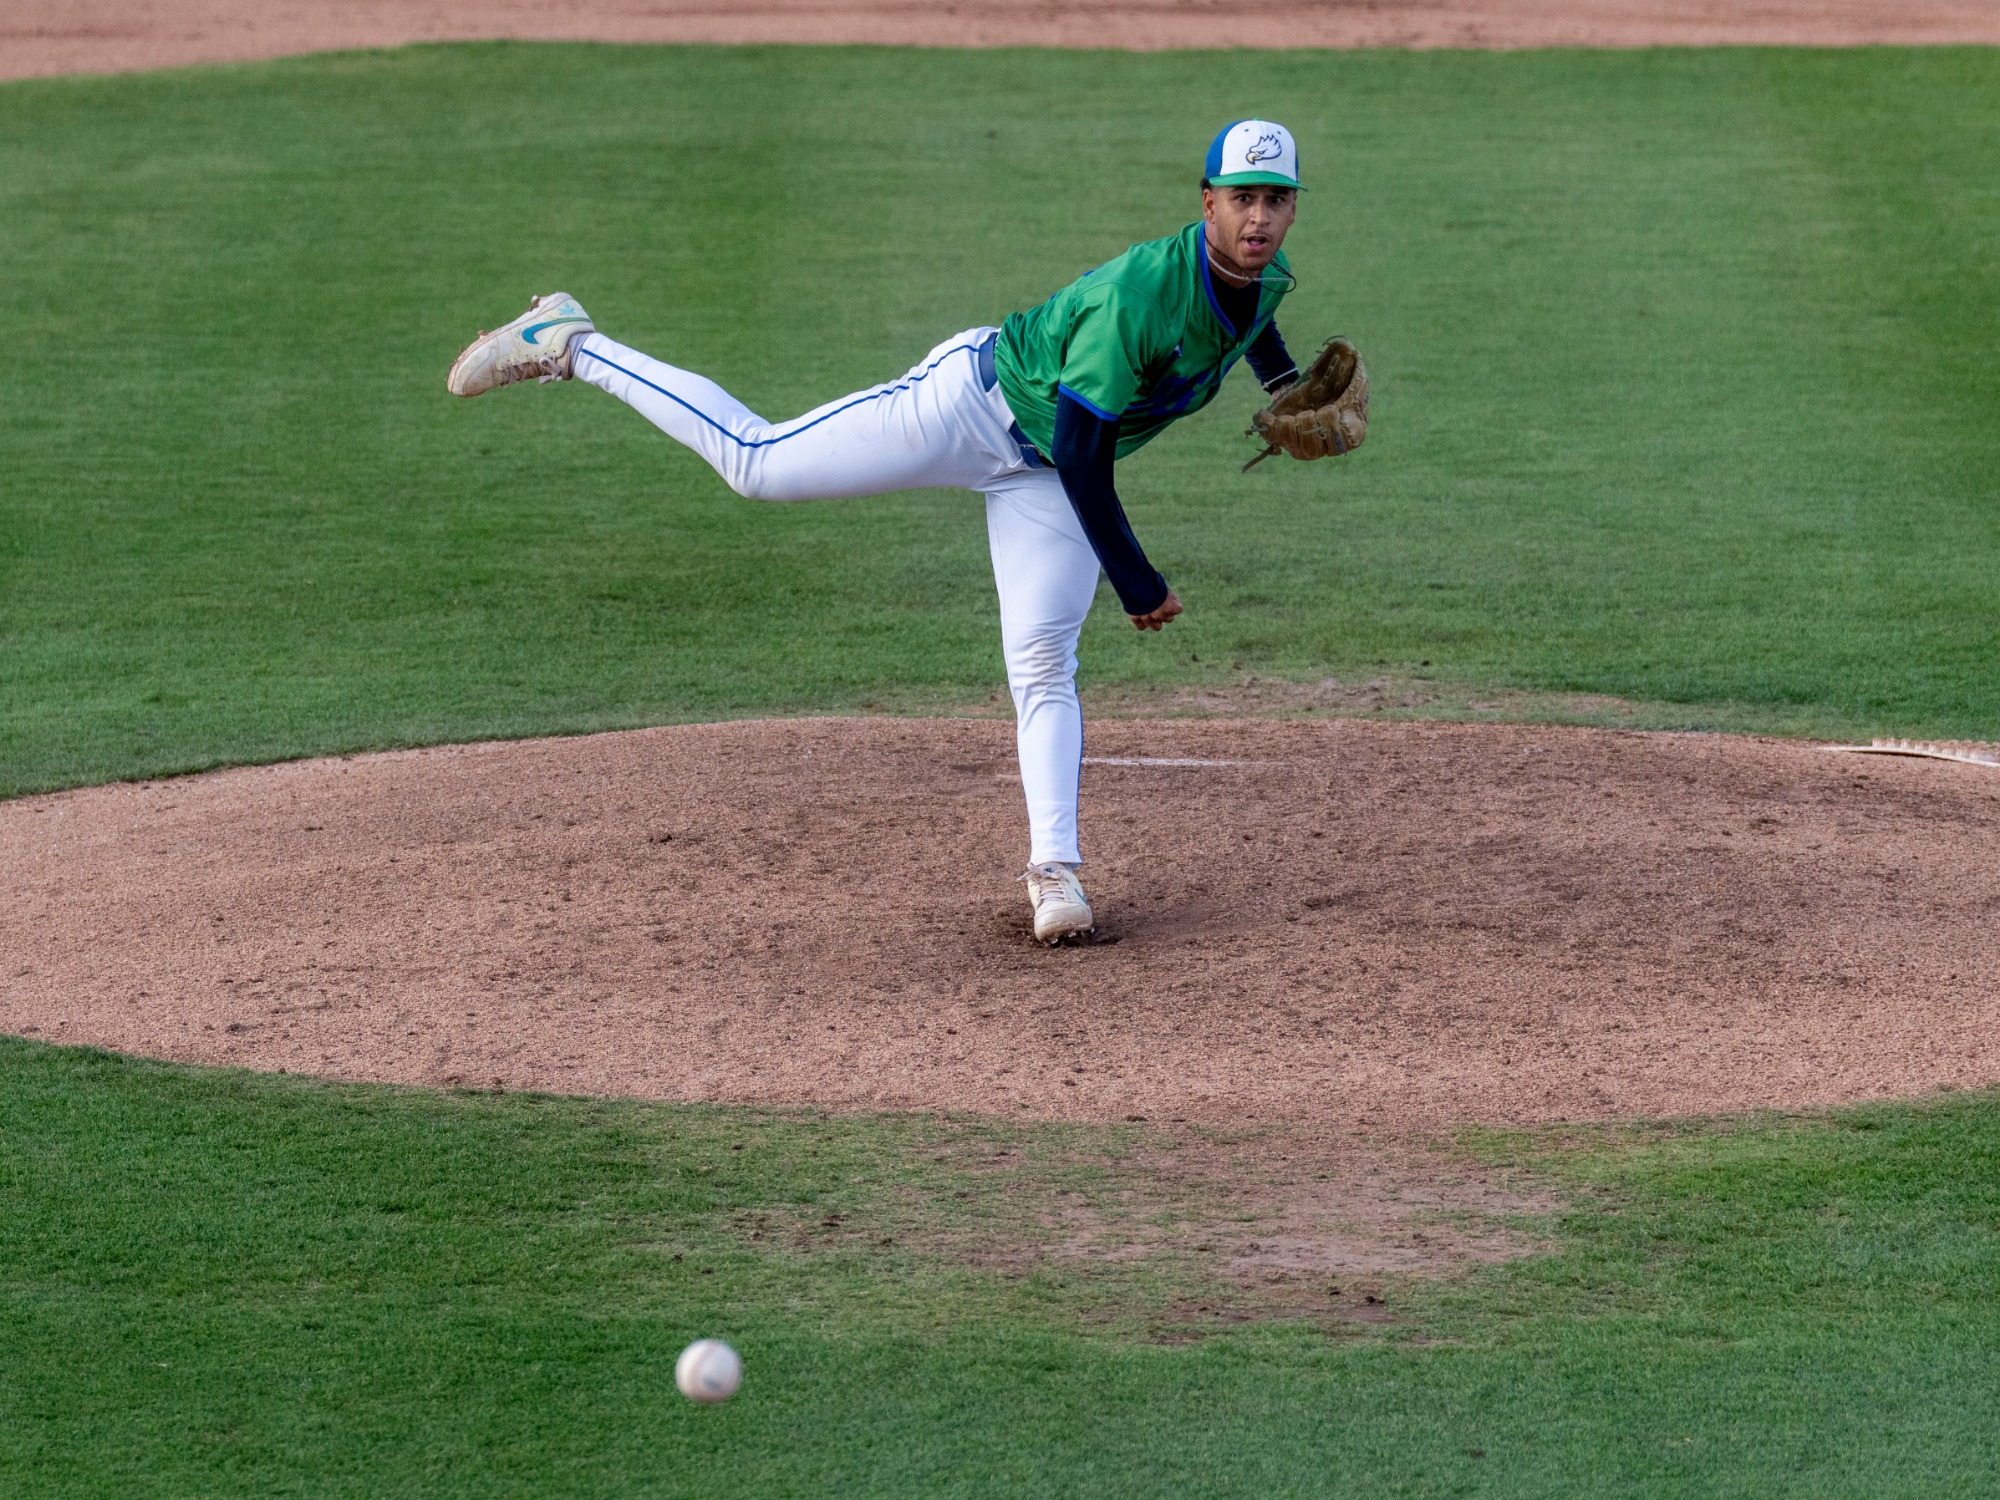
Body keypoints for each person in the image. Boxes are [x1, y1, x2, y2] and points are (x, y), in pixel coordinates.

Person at [447, 119, 1307, 945]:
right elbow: (1087, 453)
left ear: (1292, 207)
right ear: (1207, 202)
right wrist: (1137, 579)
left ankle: (1056, 873)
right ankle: (572, 342)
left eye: (1275, 198)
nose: (1258, 217)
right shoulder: (1138, 298)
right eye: (1242, 198)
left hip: (1043, 473)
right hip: (970, 408)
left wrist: (1288, 385)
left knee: (1044, 662)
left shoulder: (1262, 276)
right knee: (760, 463)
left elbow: (1247, 327)